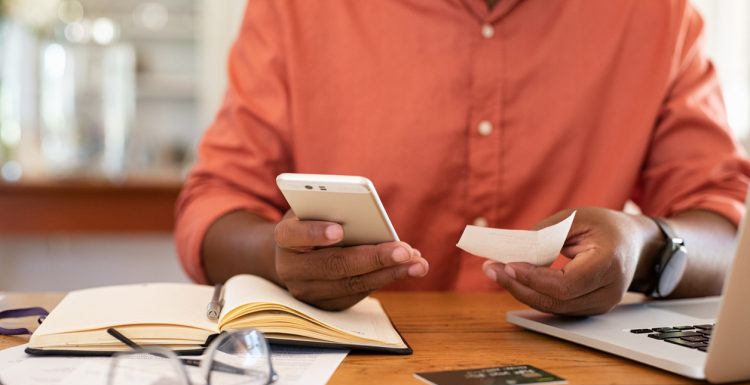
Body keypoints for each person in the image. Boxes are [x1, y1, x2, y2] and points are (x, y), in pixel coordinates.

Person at [175, 0, 750, 315]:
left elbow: (728, 226)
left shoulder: (659, 14)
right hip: (347, 384)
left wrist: (646, 249)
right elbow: (212, 206)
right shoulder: (295, 10)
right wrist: (283, 262)